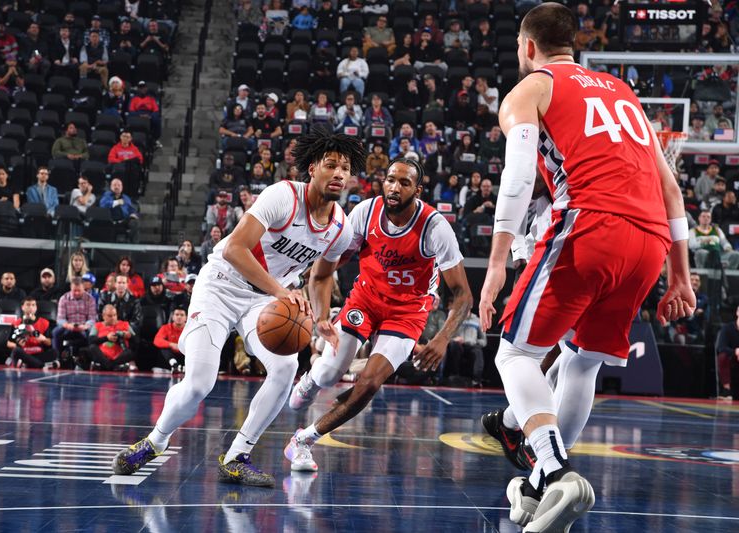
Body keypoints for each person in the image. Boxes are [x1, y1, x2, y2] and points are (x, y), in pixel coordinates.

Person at [475, 4, 694, 531]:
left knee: (515, 355)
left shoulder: (531, 89)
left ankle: (556, 472)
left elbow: (519, 176)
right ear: (574, 43)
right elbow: (670, 188)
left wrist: (498, 262)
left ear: (528, 47)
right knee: (580, 363)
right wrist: (681, 275)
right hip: (650, 242)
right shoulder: (623, 94)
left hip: (590, 225)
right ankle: (535, 493)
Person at [112, 130, 366, 488]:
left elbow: (322, 276)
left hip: (263, 300)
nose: (340, 173)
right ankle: (156, 440)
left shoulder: (340, 227)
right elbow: (234, 249)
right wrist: (282, 291)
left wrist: (322, 317)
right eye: (331, 165)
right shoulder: (283, 196)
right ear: (312, 168)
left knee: (286, 367)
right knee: (200, 382)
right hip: (221, 284)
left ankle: (236, 457)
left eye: (346, 167)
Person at [285, 159, 472, 472]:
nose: (395, 188)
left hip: (408, 311)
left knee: (369, 383)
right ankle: (313, 380)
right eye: (390, 180)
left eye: (404, 183)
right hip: (366, 298)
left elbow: (463, 294)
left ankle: (304, 440)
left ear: (418, 190)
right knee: (331, 372)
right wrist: (311, 289)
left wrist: (442, 339)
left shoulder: (435, 226)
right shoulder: (365, 212)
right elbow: (331, 264)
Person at [52, 277, 98, 359]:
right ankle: (57, 358)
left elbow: (92, 318)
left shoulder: (90, 299)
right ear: (70, 288)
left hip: (84, 327)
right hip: (68, 327)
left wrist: (85, 326)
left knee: (93, 333)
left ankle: (90, 359)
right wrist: (68, 325)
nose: (76, 293)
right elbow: (60, 319)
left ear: (83, 288)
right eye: (74, 291)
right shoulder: (63, 299)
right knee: (55, 332)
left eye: (79, 290)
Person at [7, 297, 59, 368]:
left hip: (38, 353)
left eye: (33, 305)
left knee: (54, 352)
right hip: (23, 353)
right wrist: (17, 344)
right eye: (28, 305)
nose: (31, 308)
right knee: (16, 351)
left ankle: (27, 363)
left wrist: (43, 339)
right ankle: (41, 365)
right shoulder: (16, 323)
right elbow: (8, 342)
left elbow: (50, 343)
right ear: (22, 307)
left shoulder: (44, 322)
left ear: (36, 308)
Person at [84, 304, 135, 371]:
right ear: (103, 316)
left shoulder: (125, 324)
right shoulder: (97, 325)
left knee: (130, 352)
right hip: (102, 356)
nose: (113, 318)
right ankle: (112, 366)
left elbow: (136, 339)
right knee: (92, 347)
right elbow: (90, 340)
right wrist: (106, 338)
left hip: (119, 356)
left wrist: (129, 336)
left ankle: (108, 366)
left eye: (115, 315)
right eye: (110, 316)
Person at [99, 178, 139, 243]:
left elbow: (132, 209)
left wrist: (133, 214)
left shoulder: (126, 198)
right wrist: (117, 202)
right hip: (109, 220)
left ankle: (134, 245)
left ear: (122, 187)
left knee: (134, 222)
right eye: (114, 185)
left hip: (123, 220)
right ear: (111, 186)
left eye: (119, 185)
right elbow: (102, 205)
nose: (117, 187)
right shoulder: (107, 195)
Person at [154, 306, 187, 373]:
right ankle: (174, 364)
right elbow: (157, 340)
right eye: (177, 314)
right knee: (164, 349)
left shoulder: (189, 329)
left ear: (186, 318)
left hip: (185, 353)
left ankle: (185, 367)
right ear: (173, 317)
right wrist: (171, 344)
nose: (179, 317)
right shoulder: (166, 327)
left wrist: (181, 347)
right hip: (170, 357)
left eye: (182, 315)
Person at [716, 305, 739, 400]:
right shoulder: (727, 328)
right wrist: (735, 352)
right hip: (732, 361)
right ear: (737, 312)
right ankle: (727, 390)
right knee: (722, 356)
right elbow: (721, 347)